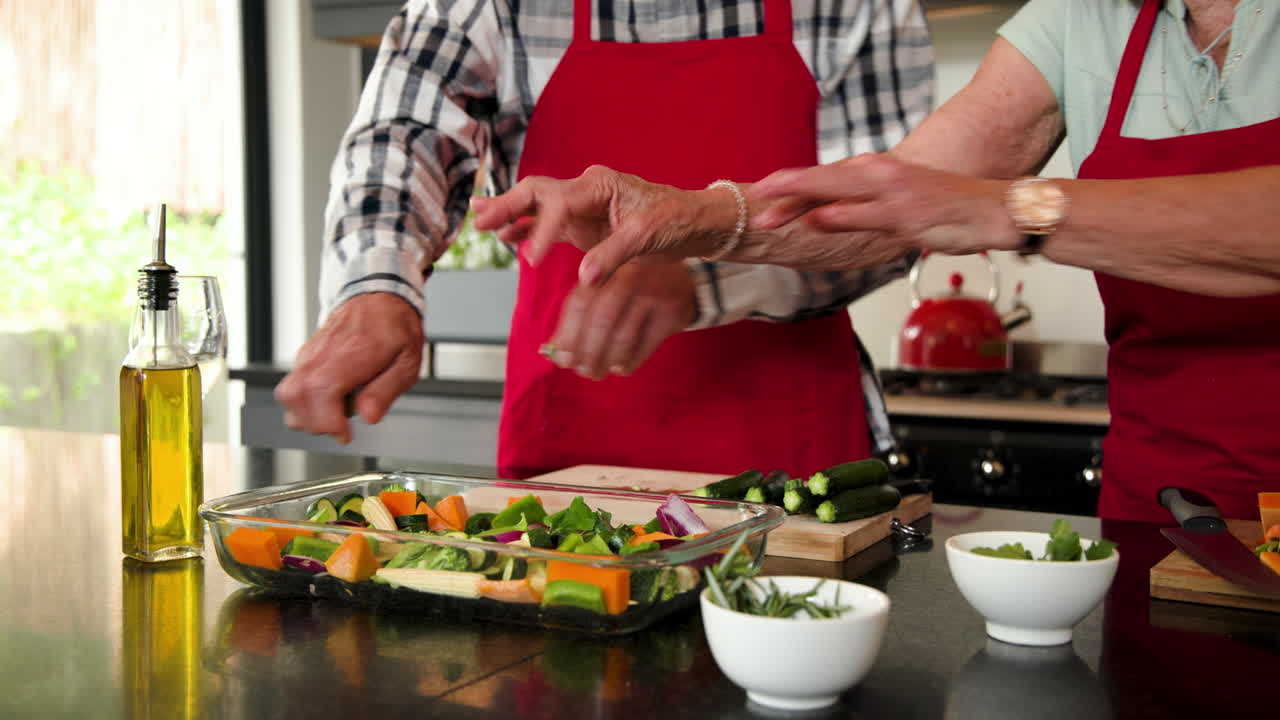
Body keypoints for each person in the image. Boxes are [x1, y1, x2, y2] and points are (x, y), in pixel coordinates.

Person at [472, 0, 1280, 521]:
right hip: (1166, 501)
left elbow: (953, 202)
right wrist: (693, 216)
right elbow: (890, 207)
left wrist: (1004, 209)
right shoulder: (1081, 19)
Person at [275, 0, 935, 480]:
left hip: (799, 475)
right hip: (566, 475)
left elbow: (893, 214)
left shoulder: (851, 7)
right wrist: (376, 289)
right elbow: (401, 130)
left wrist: (705, 281)